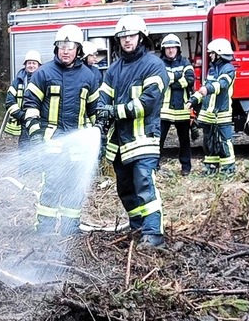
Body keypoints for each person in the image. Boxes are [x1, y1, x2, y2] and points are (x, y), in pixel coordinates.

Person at [97, 14, 169, 249]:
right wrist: (101, 119)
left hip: (143, 138)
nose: (127, 40)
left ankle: (153, 233)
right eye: (123, 36)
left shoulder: (154, 65)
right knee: (125, 188)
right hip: (119, 142)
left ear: (141, 37)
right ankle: (137, 226)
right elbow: (103, 99)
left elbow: (148, 102)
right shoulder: (114, 69)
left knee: (144, 184)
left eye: (131, 35)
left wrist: (114, 112)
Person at [22, 25, 99, 235]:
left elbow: (95, 111)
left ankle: (69, 228)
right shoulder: (43, 73)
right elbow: (30, 105)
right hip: (52, 143)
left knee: (75, 188)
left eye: (70, 46)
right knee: (52, 186)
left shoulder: (89, 76)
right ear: (56, 48)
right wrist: (36, 133)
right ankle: (44, 229)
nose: (65, 50)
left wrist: (99, 134)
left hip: (78, 147)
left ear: (78, 50)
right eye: (61, 46)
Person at [187, 38, 236, 175]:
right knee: (209, 141)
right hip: (208, 113)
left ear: (219, 54)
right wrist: (192, 100)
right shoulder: (212, 70)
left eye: (212, 53)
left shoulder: (228, 69)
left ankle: (229, 169)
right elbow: (203, 90)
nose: (210, 55)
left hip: (221, 112)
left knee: (224, 141)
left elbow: (222, 84)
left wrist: (207, 89)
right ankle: (211, 166)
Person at [158, 34, 195, 176]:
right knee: (158, 140)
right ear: (164, 50)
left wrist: (171, 80)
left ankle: (186, 167)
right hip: (164, 111)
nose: (170, 50)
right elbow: (161, 81)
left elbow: (190, 79)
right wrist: (178, 77)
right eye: (168, 48)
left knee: (184, 141)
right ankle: (155, 166)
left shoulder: (185, 62)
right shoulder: (159, 64)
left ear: (178, 48)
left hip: (182, 110)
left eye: (173, 47)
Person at [4, 50, 42, 149]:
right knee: (24, 149)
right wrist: (22, 115)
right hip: (24, 122)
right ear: (25, 65)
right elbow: (9, 101)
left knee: (40, 149)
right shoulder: (18, 80)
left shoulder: (44, 79)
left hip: (41, 121)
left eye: (34, 63)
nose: (31, 65)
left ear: (39, 65)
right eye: (29, 63)